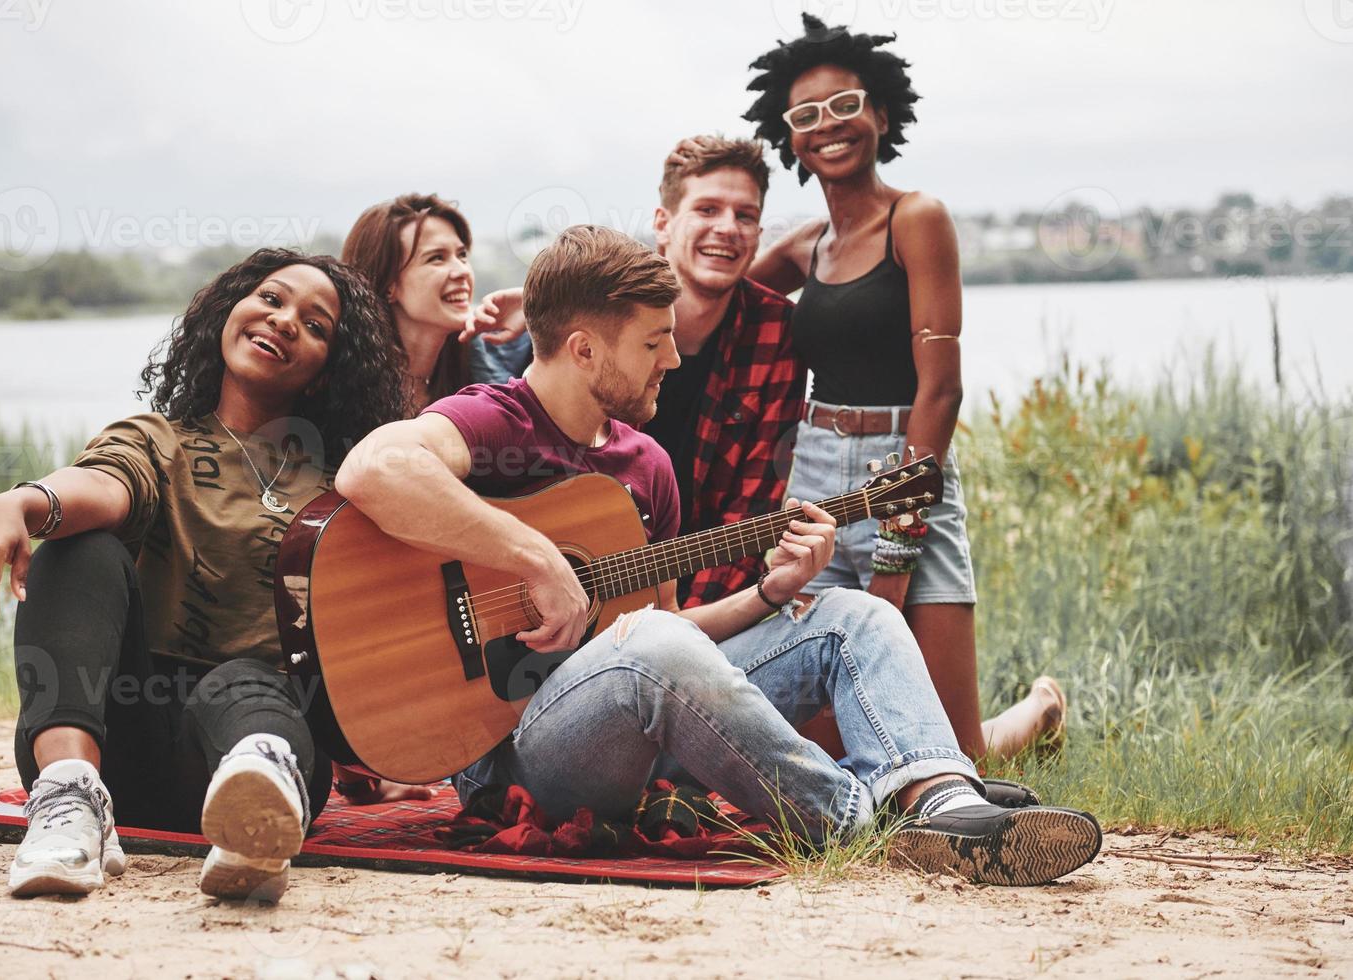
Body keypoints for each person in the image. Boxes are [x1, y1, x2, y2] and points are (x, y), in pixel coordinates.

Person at [335, 225, 1102, 886]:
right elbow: (371, 469)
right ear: (583, 348)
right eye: (652, 342)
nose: (671, 359)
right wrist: (536, 558)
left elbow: (671, 633)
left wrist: (771, 595)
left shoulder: (645, 464)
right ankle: (865, 820)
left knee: (847, 614)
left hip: (644, 727)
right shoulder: (492, 421)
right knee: (651, 648)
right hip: (516, 755)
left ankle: (944, 800)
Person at [475, 132, 1063, 764]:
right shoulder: (577, 340)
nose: (727, 229)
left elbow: (746, 516)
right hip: (568, 638)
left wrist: (713, 633)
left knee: (881, 736)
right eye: (707, 210)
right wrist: (543, 307)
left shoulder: (775, 336)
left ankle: (1023, 723)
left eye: (746, 215)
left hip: (700, 614)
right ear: (662, 224)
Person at [0, 249, 410, 901]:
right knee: (78, 543)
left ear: (324, 374)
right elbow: (106, 485)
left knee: (241, 680)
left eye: (315, 325)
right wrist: (22, 502)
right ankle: (69, 805)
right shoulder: (159, 438)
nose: (283, 321)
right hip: (119, 745)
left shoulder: (346, 486)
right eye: (272, 299)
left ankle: (255, 824)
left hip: (253, 732)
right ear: (228, 314)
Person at [740, 16, 1065, 760]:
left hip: (905, 467)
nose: (829, 126)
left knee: (958, 758)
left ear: (881, 115)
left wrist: (898, 538)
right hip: (816, 476)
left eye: (846, 106)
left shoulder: (916, 219)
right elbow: (700, 298)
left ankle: (1041, 710)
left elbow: (942, 390)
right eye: (807, 115)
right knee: (834, 741)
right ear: (791, 138)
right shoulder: (803, 247)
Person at [342, 193, 531, 413]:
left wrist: (536, 309)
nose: (462, 271)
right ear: (388, 285)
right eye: (436, 258)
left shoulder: (495, 354)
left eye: (461, 255)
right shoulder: (341, 383)